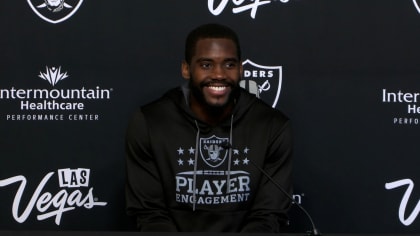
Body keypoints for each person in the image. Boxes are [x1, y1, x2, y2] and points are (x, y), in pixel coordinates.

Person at [125, 23, 293, 232]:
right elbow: (150, 215)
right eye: (206, 65)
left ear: (241, 69)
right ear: (186, 69)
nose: (219, 74)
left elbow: (267, 217)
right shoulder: (150, 122)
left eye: (229, 65)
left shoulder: (272, 126)